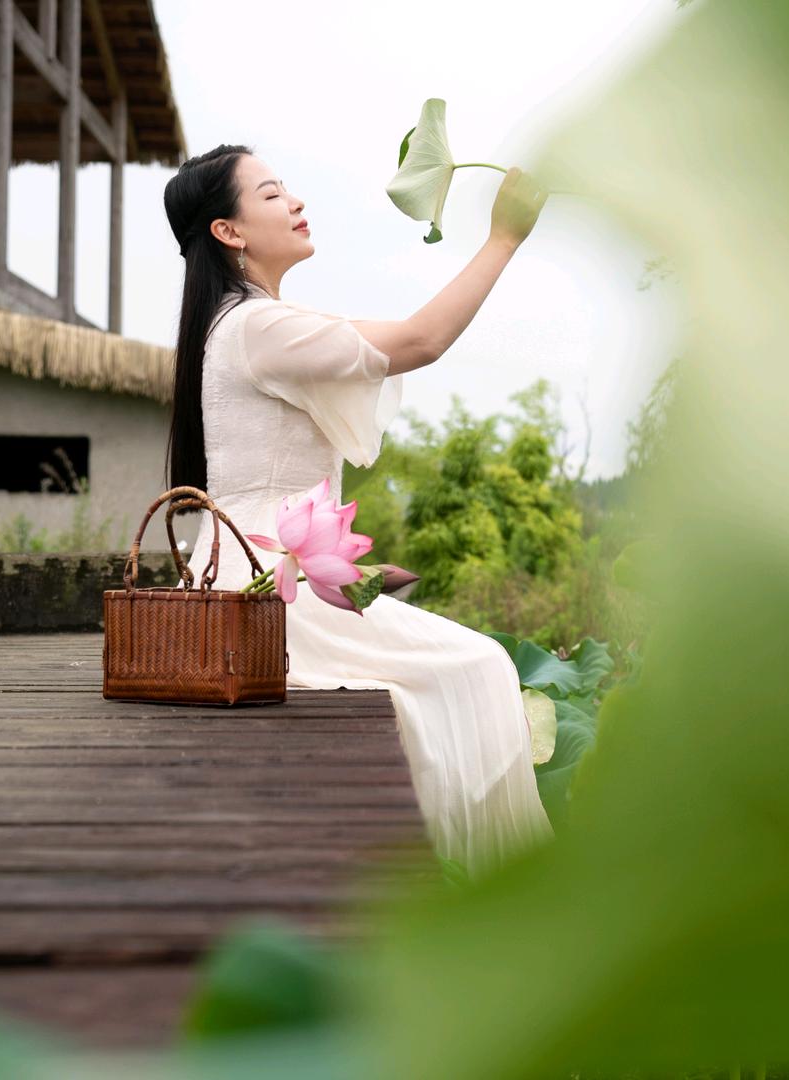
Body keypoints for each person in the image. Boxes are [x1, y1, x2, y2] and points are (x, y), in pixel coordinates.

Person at [162, 144, 554, 882]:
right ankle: (479, 890)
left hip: (262, 573)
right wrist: (503, 238)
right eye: (273, 194)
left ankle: (461, 885)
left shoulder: (247, 321)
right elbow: (419, 341)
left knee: (465, 672)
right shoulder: (255, 326)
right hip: (268, 586)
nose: (296, 203)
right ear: (230, 231)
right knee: (480, 668)